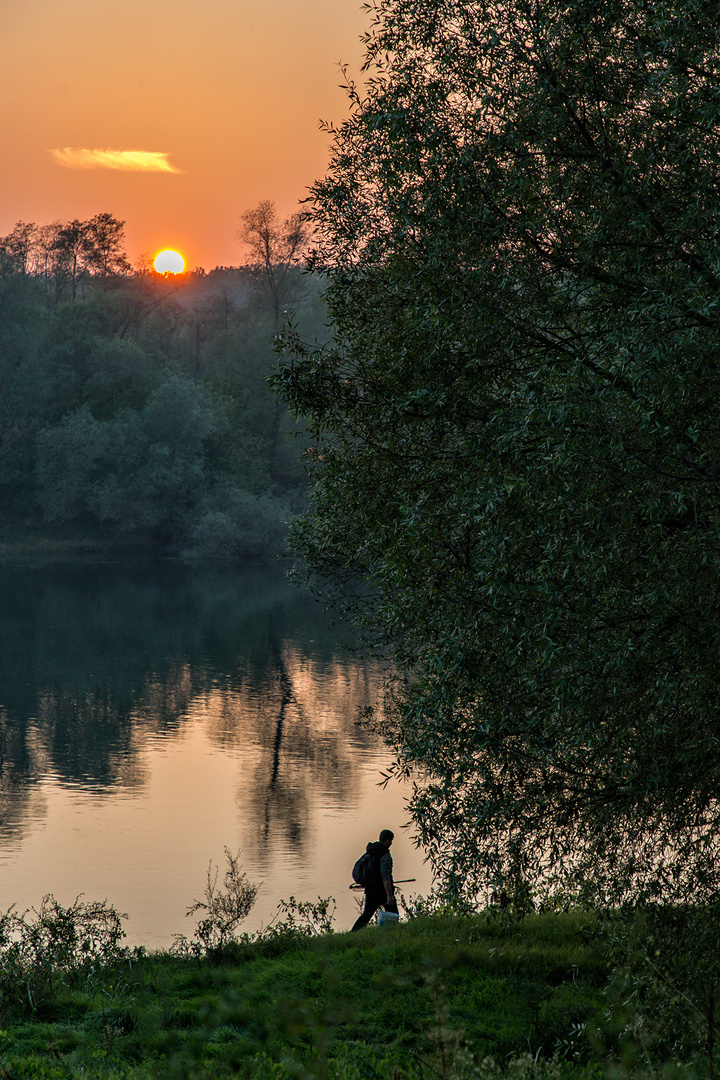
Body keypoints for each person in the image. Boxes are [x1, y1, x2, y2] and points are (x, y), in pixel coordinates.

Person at [350, 828, 398, 931]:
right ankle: (393, 932)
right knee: (393, 914)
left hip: (371, 890)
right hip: (382, 892)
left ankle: (353, 933)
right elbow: (386, 876)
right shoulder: (385, 855)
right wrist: (389, 895)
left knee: (366, 915)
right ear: (388, 841)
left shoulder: (371, 851)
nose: (391, 844)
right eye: (391, 841)